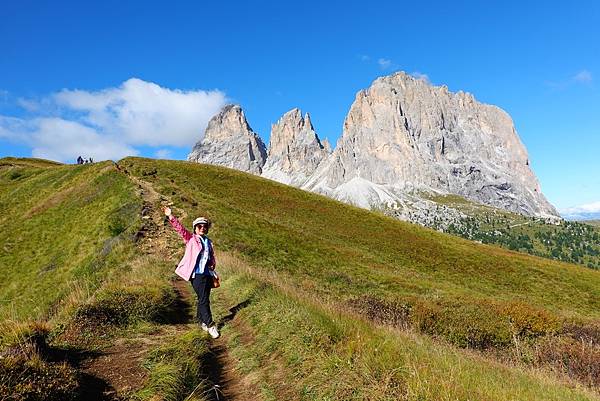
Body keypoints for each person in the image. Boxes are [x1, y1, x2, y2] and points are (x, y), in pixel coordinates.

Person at [163, 206, 220, 338]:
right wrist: (171, 216)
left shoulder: (208, 242)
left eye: (204, 226)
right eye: (199, 226)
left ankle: (201, 321)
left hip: (207, 274)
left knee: (203, 299)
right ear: (195, 228)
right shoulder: (191, 239)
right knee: (204, 299)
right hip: (196, 275)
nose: (202, 228)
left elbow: (210, 256)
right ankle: (210, 325)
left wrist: (212, 265)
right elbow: (180, 229)